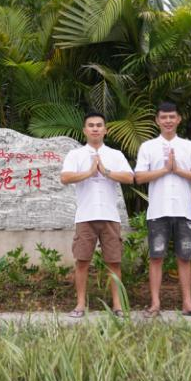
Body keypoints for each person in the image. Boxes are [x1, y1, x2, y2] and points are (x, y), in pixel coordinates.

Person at [133, 102, 191, 318]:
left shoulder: (188, 146)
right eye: (164, 117)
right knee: (156, 257)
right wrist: (165, 169)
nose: (168, 121)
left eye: (171, 117)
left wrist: (178, 170)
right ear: (157, 120)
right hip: (158, 211)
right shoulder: (148, 147)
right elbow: (139, 177)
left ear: (179, 119)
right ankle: (155, 304)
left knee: (185, 257)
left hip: (184, 211)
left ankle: (187, 303)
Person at [60, 111, 134, 319]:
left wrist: (106, 171)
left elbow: (129, 177)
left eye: (99, 125)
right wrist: (90, 172)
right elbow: (65, 177)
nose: (95, 128)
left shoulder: (115, 155)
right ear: (84, 130)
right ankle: (80, 304)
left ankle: (118, 305)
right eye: (91, 125)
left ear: (105, 130)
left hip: (110, 216)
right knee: (82, 261)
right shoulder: (75, 155)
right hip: (85, 216)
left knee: (114, 262)